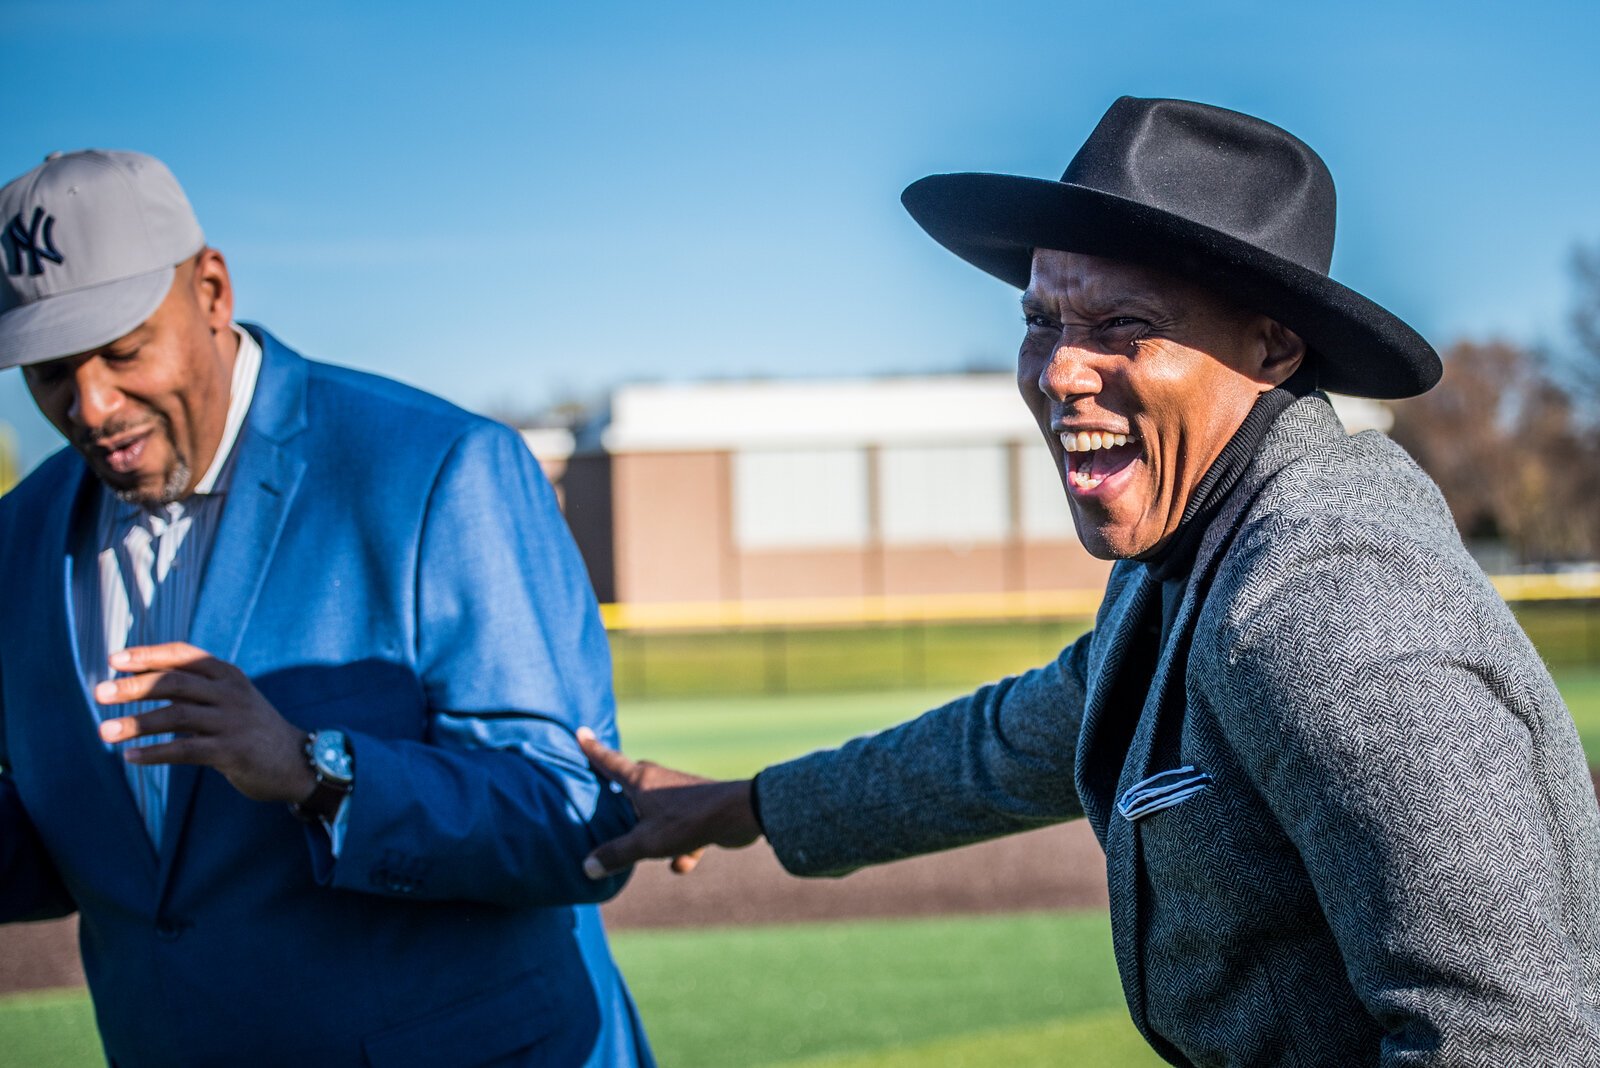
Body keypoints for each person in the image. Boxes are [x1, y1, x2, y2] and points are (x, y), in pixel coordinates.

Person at [576, 97, 1600, 1063]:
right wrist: (752, 804)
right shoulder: (1199, 544)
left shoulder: (1328, 606)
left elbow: (1508, 1039)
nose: (1060, 372)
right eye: (1042, 322)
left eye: (1122, 327)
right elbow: (1021, 737)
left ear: (1274, 347)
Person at [0, 150, 653, 1066]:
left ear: (213, 290)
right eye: (50, 372)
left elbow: (576, 820)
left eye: (123, 348)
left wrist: (316, 770)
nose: (91, 404)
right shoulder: (16, 538)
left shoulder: (439, 470)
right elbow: (73, 850)